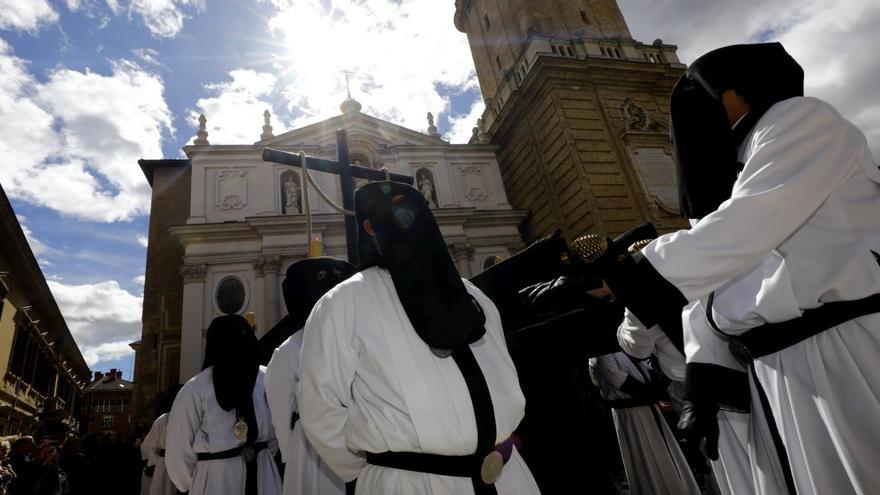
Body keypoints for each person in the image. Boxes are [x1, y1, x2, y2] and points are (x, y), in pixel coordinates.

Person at [595, 42, 880, 494]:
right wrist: (705, 378)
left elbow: (744, 228)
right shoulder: (742, 166)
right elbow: (717, 285)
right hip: (778, 368)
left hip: (841, 352)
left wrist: (629, 275)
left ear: (734, 93)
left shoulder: (803, 120)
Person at [298, 181, 541, 495]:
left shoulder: (473, 295)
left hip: (509, 478)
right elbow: (320, 409)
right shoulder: (343, 303)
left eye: (412, 206)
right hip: (410, 483)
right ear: (370, 227)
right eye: (392, 208)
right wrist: (379, 471)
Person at [264, 257, 356, 495]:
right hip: (312, 450)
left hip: (333, 444)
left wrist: (289, 449)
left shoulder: (288, 350)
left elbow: (281, 416)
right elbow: (282, 410)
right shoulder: (289, 350)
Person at [166, 314, 283, 495]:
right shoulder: (196, 389)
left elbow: (177, 451)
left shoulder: (266, 378)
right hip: (220, 477)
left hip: (233, 475)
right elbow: (178, 450)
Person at [589, 351, 700, 495]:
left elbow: (650, 373)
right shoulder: (600, 356)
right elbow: (622, 382)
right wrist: (654, 391)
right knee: (645, 456)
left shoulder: (624, 348)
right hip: (630, 413)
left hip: (649, 408)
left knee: (663, 452)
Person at [142, 385, 183, 495]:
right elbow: (151, 447)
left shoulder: (164, 420)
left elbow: (151, 447)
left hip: (173, 464)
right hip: (166, 465)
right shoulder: (162, 420)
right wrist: (158, 462)